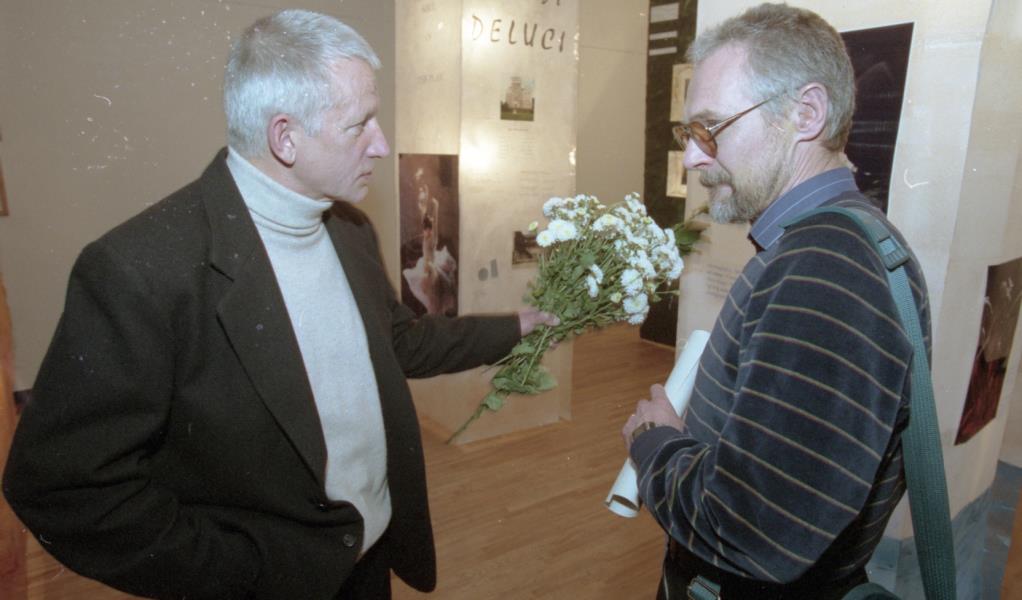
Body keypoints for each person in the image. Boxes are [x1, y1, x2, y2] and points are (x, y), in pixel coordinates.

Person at [3, 9, 554, 600]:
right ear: (285, 137)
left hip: (368, 565)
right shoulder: (139, 270)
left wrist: (516, 326)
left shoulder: (350, 230)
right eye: (360, 124)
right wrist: (235, 570)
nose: (382, 144)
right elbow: (62, 488)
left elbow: (397, 343)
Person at [621, 4, 930, 599]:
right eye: (690, 134)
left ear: (806, 114)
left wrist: (654, 442)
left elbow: (753, 530)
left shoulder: (826, 269)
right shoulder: (837, 243)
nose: (694, 158)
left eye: (712, 128)